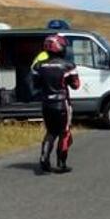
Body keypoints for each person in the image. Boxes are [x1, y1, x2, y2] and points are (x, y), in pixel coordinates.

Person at [32, 35, 80, 173]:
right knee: (64, 133)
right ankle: (61, 163)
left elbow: (36, 85)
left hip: (46, 103)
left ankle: (44, 157)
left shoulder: (38, 66)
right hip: (62, 103)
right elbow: (76, 85)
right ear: (59, 47)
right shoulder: (68, 65)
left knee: (51, 132)